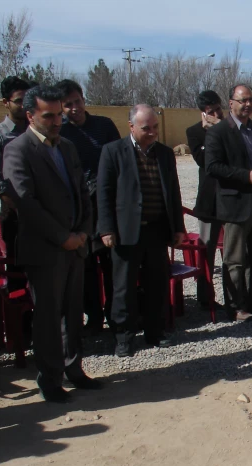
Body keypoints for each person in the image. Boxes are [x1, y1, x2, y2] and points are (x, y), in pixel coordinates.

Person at [3, 85, 100, 403]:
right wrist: (63, 238)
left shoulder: (68, 147)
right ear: (30, 115)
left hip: (76, 244)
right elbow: (26, 204)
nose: (58, 120)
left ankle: (74, 369)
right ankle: (50, 378)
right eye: (50, 116)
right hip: (46, 250)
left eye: (59, 114)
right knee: (47, 316)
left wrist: (84, 232)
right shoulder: (18, 150)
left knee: (73, 313)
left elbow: (82, 192)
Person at [97, 104, 186, 357]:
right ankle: (124, 337)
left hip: (156, 230)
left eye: (156, 127)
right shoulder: (113, 152)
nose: (152, 133)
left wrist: (177, 227)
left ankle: (155, 331)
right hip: (125, 232)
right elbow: (104, 194)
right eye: (146, 128)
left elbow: (174, 191)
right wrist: (106, 229)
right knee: (123, 287)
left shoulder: (165, 154)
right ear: (131, 127)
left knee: (156, 284)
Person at [205, 83, 252, 320]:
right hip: (235, 202)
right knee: (235, 259)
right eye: (242, 100)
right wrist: (245, 176)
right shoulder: (218, 132)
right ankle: (236, 307)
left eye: (251, 100)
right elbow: (213, 167)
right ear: (231, 103)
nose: (247, 104)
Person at [57, 79, 122, 333]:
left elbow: (118, 159)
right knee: (86, 267)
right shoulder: (62, 134)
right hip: (80, 209)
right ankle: (93, 316)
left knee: (111, 264)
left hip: (107, 204)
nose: (75, 108)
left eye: (78, 101)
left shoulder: (103, 126)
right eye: (68, 105)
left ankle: (115, 316)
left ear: (84, 99)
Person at [0, 75, 31, 257]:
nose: (24, 105)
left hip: (44, 216)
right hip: (14, 216)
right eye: (19, 101)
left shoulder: (38, 132)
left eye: (28, 100)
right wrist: (23, 210)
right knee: (18, 276)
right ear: (5, 102)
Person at [186, 90, 224, 310]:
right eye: (211, 111)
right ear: (203, 113)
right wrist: (211, 133)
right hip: (209, 200)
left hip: (231, 199)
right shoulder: (193, 132)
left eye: (218, 109)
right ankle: (205, 298)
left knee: (235, 252)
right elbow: (203, 161)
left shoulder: (231, 127)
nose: (216, 114)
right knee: (207, 251)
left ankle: (235, 296)